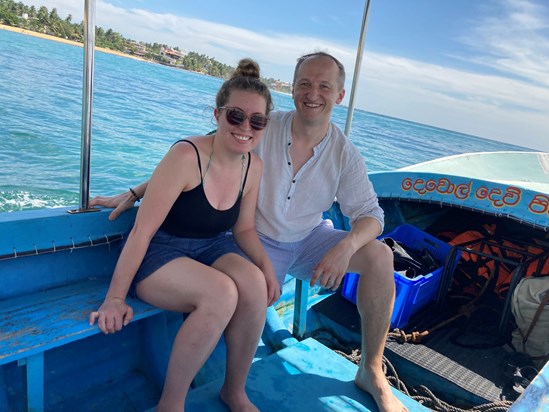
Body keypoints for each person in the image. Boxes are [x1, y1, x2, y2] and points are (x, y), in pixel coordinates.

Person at [91, 52, 405, 412]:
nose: (312, 93)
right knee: (233, 291)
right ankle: (194, 395)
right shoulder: (261, 127)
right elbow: (201, 154)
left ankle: (370, 369)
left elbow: (372, 215)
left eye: (324, 86)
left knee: (380, 255)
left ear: (339, 95)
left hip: (304, 241)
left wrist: (347, 244)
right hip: (250, 238)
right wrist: (135, 192)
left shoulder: (341, 154)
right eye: (304, 83)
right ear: (292, 88)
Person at [89, 58, 278, 412]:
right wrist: (115, 298)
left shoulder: (254, 166)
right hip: (160, 251)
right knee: (221, 293)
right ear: (217, 114)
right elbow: (142, 231)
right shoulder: (185, 155)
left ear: (265, 125)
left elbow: (244, 228)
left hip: (211, 246)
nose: (245, 128)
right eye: (235, 116)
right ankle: (171, 405)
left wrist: (266, 268)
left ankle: (234, 391)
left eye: (257, 121)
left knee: (252, 283)